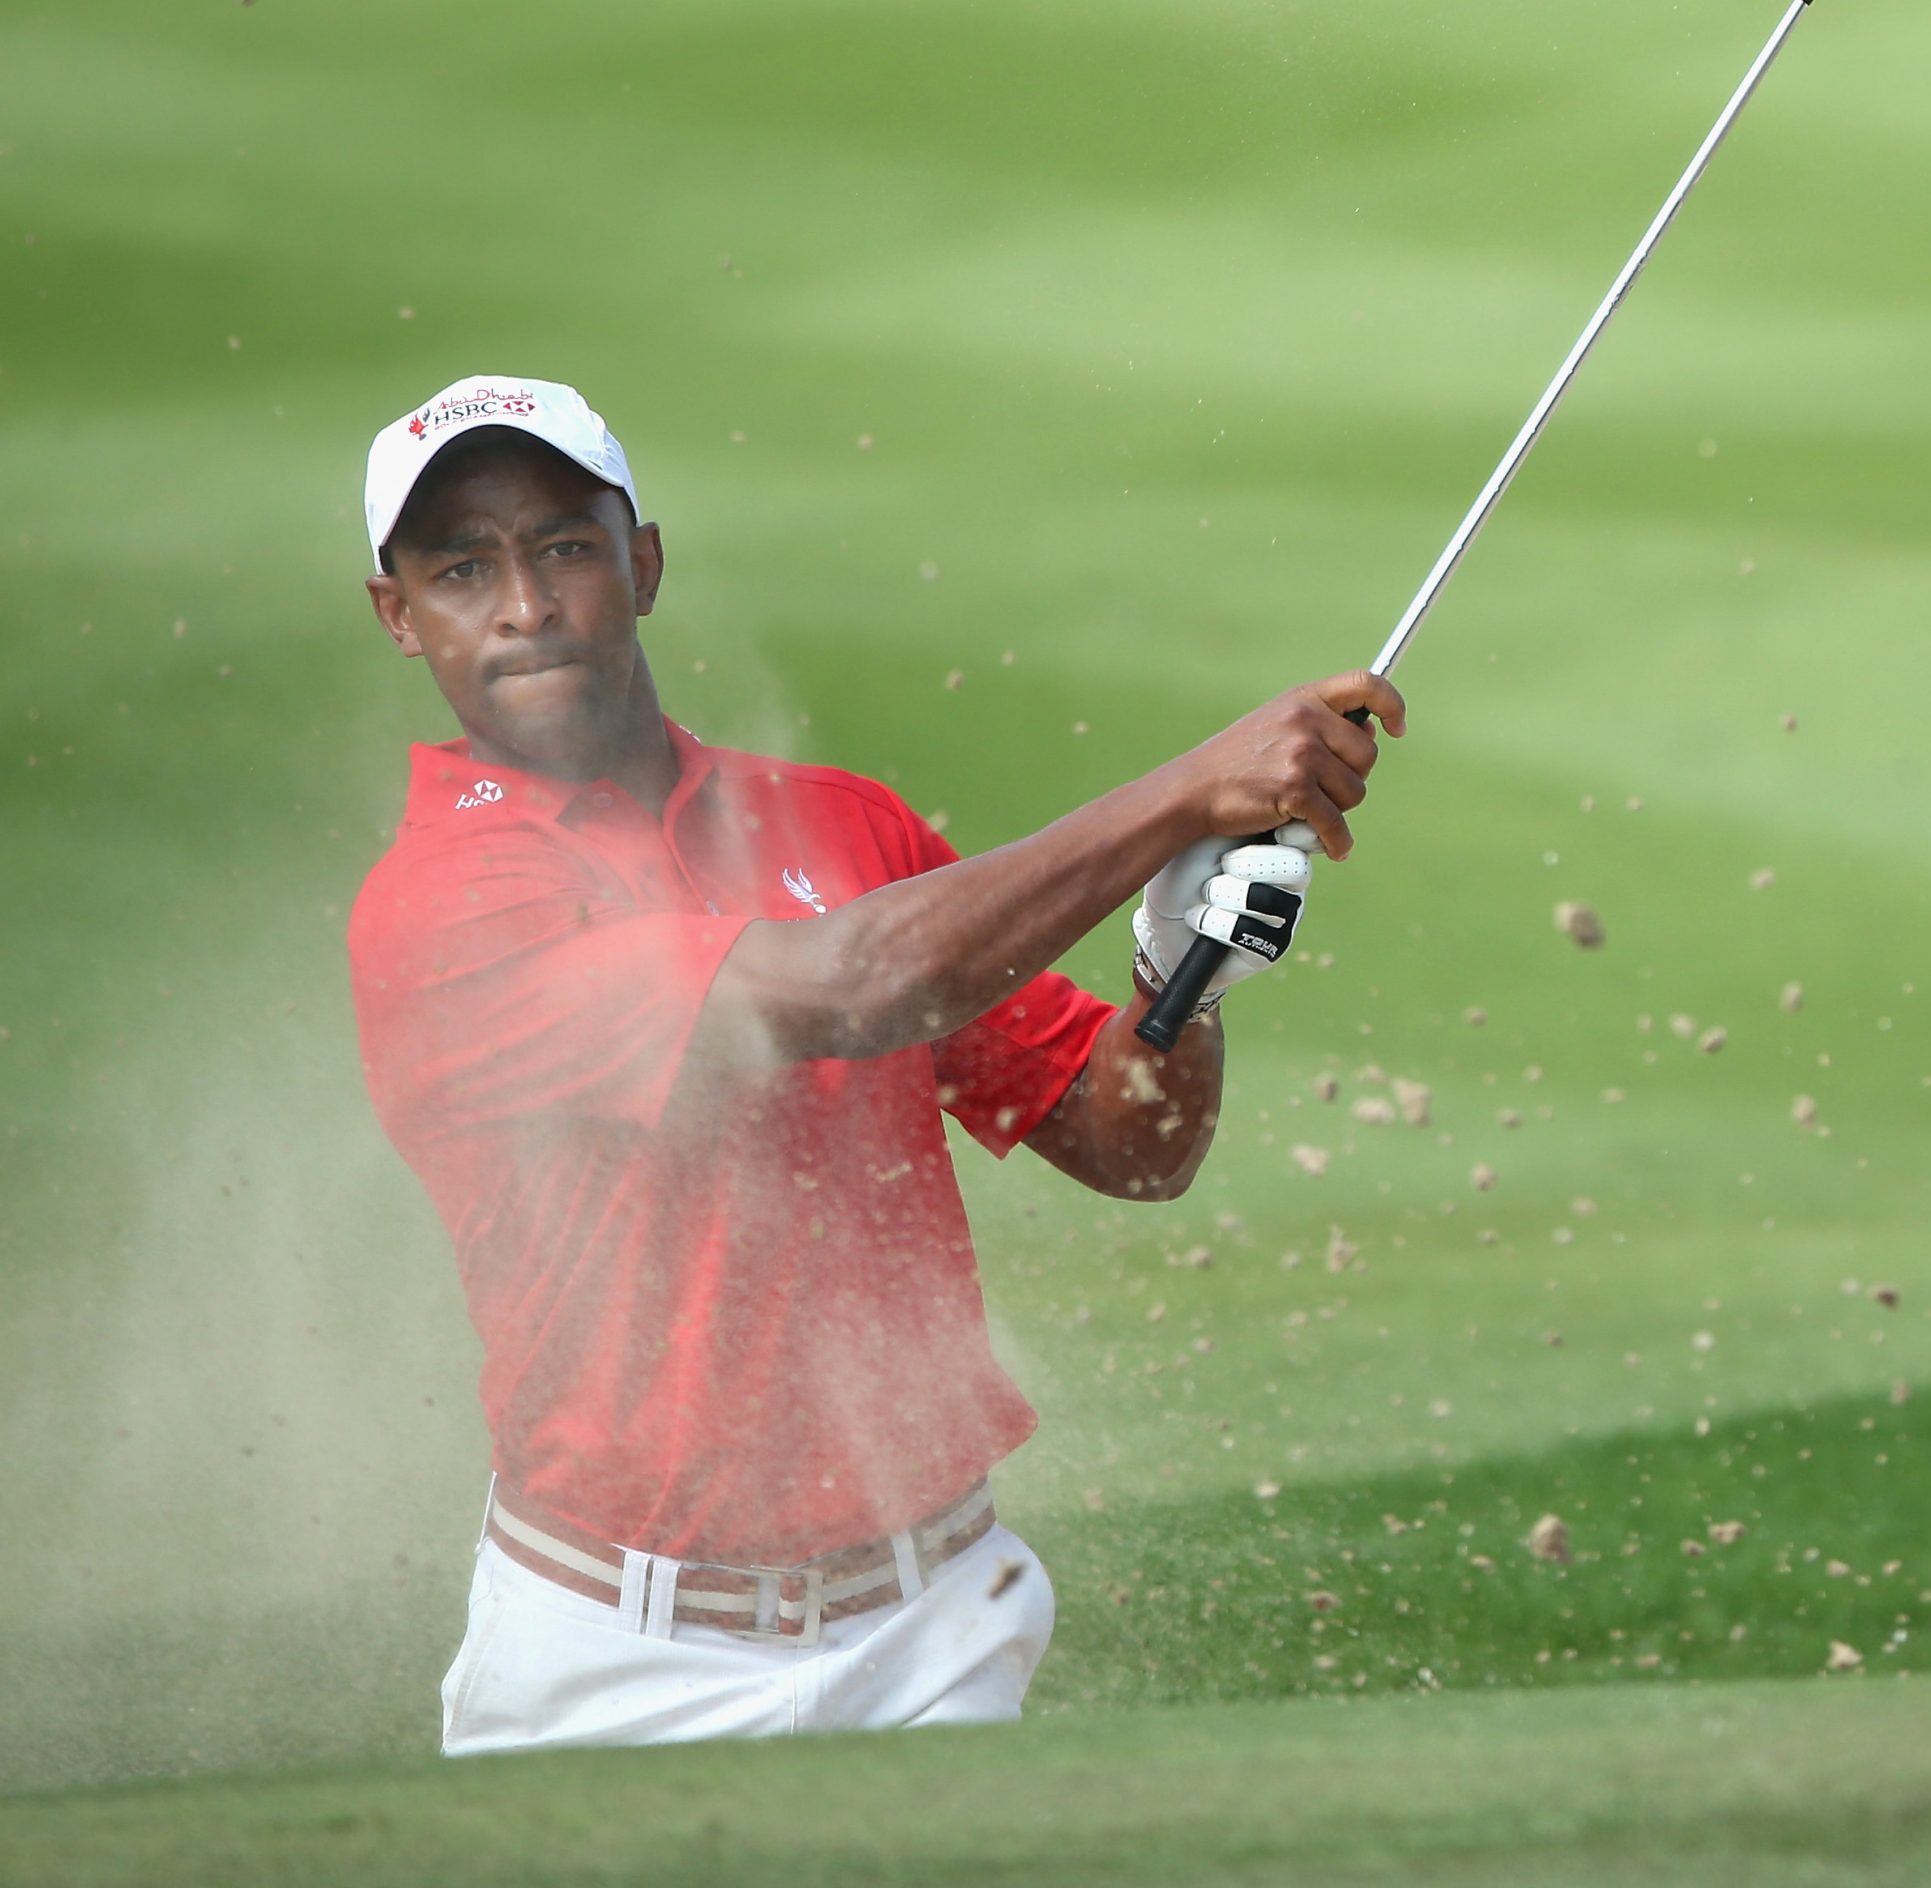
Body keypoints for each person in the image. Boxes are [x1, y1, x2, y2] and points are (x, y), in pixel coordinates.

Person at [347, 374, 1402, 1752]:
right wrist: (1187, 794)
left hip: (934, 1634)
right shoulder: (441, 902)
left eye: (564, 549)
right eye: (462, 569)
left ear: (643, 563)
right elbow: (855, 983)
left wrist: (1180, 971)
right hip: (617, 1663)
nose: (528, 607)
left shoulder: (841, 827)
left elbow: (1133, 1142)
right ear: (399, 616)